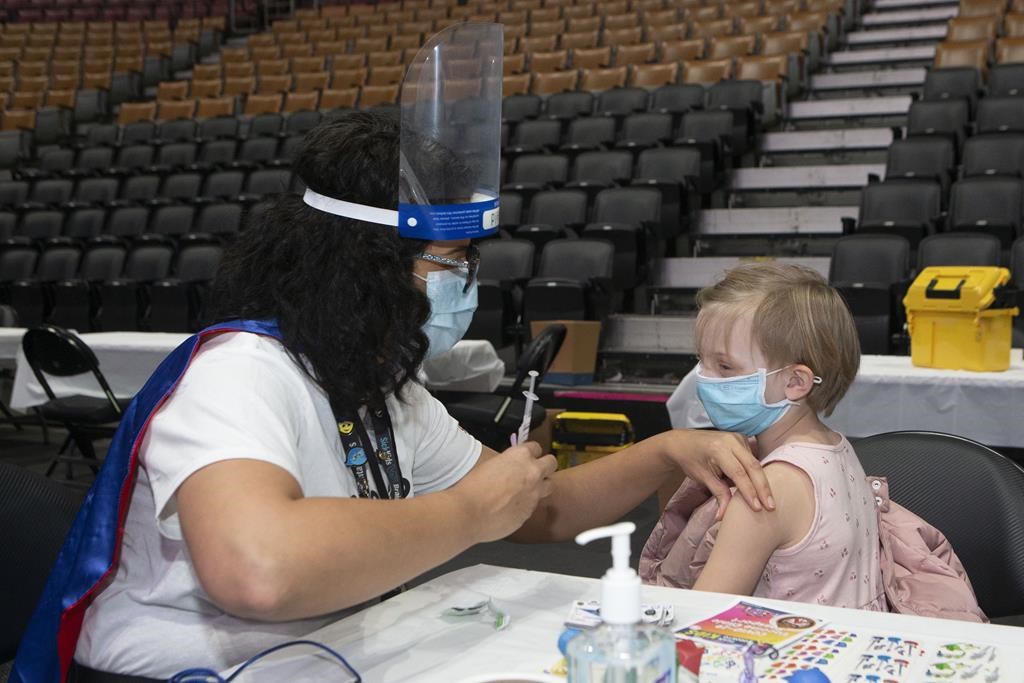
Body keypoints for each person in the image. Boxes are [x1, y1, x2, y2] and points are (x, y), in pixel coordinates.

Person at [13, 111, 775, 683]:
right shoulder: (241, 372)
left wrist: (669, 449)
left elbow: (534, 507)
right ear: (363, 265)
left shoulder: (383, 387)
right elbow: (258, 569)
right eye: (448, 261)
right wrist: (470, 513)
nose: (464, 284)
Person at [641, 264, 887, 611]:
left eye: (724, 366)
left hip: (785, 658)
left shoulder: (764, 492)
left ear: (795, 382)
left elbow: (697, 619)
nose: (702, 377)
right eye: (701, 360)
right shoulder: (838, 447)